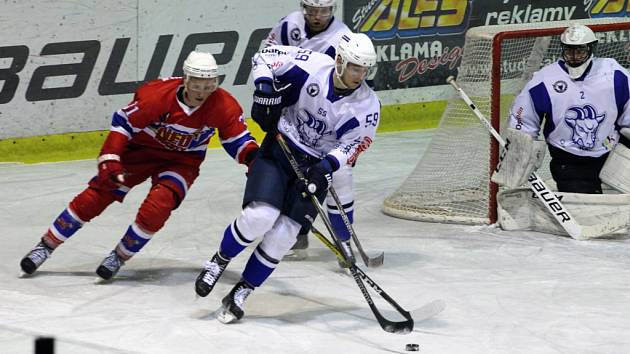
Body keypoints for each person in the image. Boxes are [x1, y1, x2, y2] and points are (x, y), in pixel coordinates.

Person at [19, 51, 259, 281]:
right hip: (140, 153)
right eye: (197, 84)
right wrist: (111, 157)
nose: (202, 92)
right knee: (98, 195)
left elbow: (236, 138)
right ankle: (46, 245)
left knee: (159, 206)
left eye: (209, 85)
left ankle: (119, 256)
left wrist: (251, 158)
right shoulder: (156, 96)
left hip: (182, 162)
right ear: (185, 79)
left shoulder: (224, 104)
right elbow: (123, 123)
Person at [194, 32, 380, 323]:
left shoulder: (367, 106)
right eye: (356, 67)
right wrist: (265, 87)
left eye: (365, 69)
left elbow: (354, 145)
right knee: (260, 217)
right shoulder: (311, 65)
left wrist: (325, 168)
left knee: (285, 235)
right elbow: (264, 57)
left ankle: (242, 290)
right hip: (281, 149)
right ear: (340, 61)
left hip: (316, 167)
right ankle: (218, 261)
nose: (360, 75)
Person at [265, 0, 366, 255]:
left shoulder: (344, 38)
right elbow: (267, 54)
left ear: (332, 10)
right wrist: (272, 92)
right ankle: (297, 235)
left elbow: (353, 87)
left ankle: (344, 241)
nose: (317, 15)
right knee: (295, 179)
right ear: (303, 7)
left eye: (323, 10)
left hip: (329, 123)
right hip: (296, 118)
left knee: (339, 178)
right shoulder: (290, 24)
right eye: (312, 9)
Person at [495, 23, 630, 194]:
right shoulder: (544, 80)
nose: (573, 56)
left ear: (591, 49)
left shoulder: (613, 73)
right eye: (569, 51)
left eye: (579, 51)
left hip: (611, 152)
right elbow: (523, 118)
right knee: (583, 206)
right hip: (568, 158)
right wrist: (521, 148)